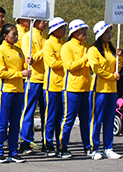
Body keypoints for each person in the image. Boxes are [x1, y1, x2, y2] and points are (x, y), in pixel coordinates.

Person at [0, 24, 30, 163]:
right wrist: (20, 73)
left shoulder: (19, 50)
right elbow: (1, 72)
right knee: (2, 123)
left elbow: (24, 68)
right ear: (5, 36)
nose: (16, 36)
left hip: (19, 91)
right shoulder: (0, 51)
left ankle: (13, 151)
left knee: (15, 123)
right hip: (6, 91)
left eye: (16, 34)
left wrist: (27, 64)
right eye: (13, 34)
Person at [87, 20, 123, 160]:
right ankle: (94, 148)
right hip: (99, 90)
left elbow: (117, 70)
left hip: (112, 90)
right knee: (96, 119)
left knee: (109, 120)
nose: (109, 35)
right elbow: (96, 69)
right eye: (106, 32)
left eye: (110, 32)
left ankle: (108, 147)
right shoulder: (93, 50)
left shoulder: (112, 50)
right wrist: (111, 76)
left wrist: (118, 59)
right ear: (99, 34)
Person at [59, 19, 92, 158]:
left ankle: (88, 147)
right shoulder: (67, 47)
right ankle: (62, 147)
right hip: (71, 89)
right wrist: (86, 58)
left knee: (86, 119)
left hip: (86, 88)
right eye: (80, 30)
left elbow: (92, 66)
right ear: (73, 33)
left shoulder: (88, 47)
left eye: (85, 30)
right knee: (69, 119)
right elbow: (70, 66)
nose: (84, 33)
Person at [19, 19, 47, 153]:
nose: (45, 22)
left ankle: (47, 141)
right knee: (28, 110)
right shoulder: (27, 37)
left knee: (46, 112)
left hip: (46, 79)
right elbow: (30, 58)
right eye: (42, 20)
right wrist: (45, 50)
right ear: (34, 22)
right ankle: (26, 141)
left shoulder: (45, 37)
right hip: (33, 79)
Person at [42, 17, 68, 157]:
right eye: (61, 28)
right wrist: (67, 62)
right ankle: (48, 144)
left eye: (64, 27)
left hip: (63, 85)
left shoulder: (63, 44)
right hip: (51, 85)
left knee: (60, 117)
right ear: (54, 30)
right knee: (51, 116)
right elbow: (53, 64)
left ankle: (60, 144)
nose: (64, 30)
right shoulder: (48, 44)